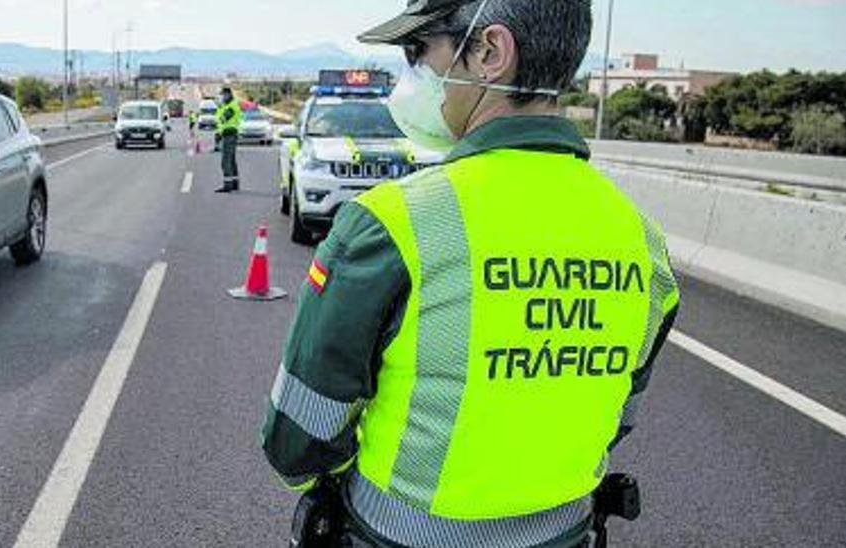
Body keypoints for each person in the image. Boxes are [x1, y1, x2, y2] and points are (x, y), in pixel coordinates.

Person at [260, 1, 680, 546]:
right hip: (566, 533)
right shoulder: (642, 240)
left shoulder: (390, 225)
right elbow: (617, 416)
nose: (413, 75)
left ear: (490, 53)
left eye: (420, 51)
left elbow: (299, 438)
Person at [214, 87, 244, 193]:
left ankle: (228, 185)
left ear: (229, 95)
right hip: (228, 135)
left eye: (223, 95)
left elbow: (223, 119)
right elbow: (220, 121)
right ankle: (235, 183)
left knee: (225, 161)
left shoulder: (231, 106)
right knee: (231, 161)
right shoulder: (227, 106)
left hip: (229, 135)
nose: (222, 97)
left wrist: (219, 109)